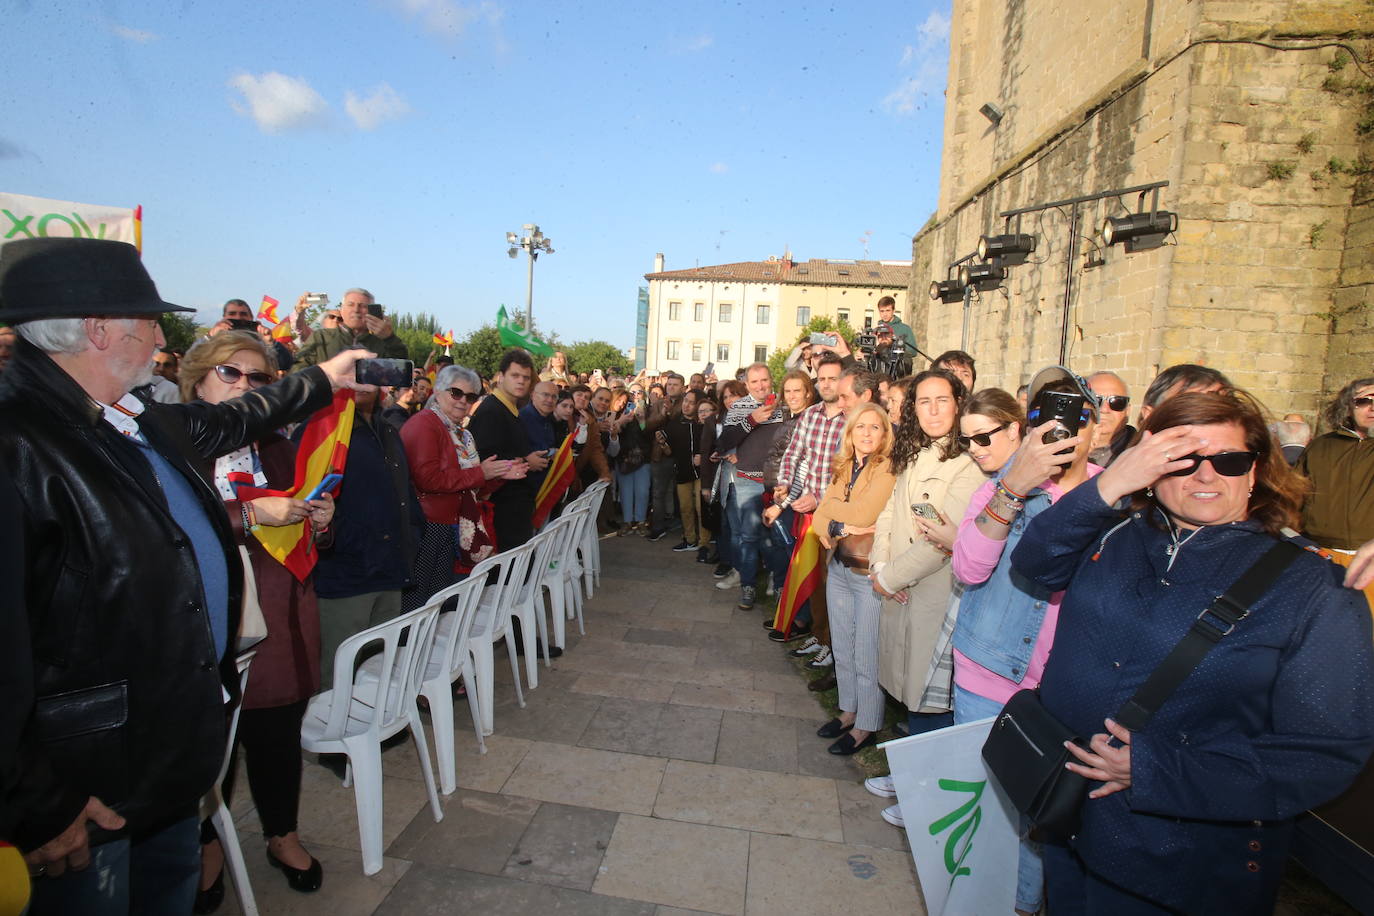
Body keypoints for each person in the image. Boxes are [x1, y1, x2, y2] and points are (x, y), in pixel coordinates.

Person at [0, 238, 368, 915]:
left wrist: (323, 377)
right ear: (99, 329)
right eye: (149, 320)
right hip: (88, 791)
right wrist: (37, 799)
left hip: (161, 763)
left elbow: (237, 417)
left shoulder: (130, 417)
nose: (162, 336)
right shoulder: (19, 443)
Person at [1014, 390, 1374, 913]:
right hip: (1070, 822)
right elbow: (1037, 563)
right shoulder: (1119, 534)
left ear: (1255, 471)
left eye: (1228, 461)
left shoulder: (1313, 589)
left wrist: (1155, 772)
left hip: (1175, 859)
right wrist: (1110, 484)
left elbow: (1323, 752)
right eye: (1182, 460)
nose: (1206, 476)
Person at [178, 331, 334, 907]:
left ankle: (282, 835)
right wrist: (247, 513)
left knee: (275, 734)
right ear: (195, 380)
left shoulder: (276, 447)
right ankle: (205, 845)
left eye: (258, 378)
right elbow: (172, 524)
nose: (245, 386)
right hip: (204, 620)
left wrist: (321, 517)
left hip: (279, 612)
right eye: (230, 374)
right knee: (208, 742)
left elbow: (310, 522)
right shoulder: (174, 444)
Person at [949, 365, 1103, 916]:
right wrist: (1014, 485)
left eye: (1077, 416)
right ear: (1030, 424)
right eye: (1048, 416)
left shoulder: (1123, 497)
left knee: (1046, 819)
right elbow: (968, 567)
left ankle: (1023, 906)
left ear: (1097, 425)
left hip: (1071, 691)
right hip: (991, 674)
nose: (1065, 431)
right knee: (989, 814)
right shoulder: (1002, 487)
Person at [866, 370, 984, 827]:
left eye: (942, 400)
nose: (932, 411)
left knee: (929, 693)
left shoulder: (968, 463)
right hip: (898, 589)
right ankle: (909, 772)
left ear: (959, 403)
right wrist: (879, 567)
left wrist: (889, 579)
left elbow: (939, 541)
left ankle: (927, 795)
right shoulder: (914, 455)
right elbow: (891, 516)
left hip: (933, 594)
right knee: (905, 686)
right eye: (923, 402)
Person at [309, 384, 424, 688]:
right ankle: (333, 735)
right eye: (352, 374)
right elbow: (309, 499)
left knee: (378, 667)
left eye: (368, 376)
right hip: (346, 574)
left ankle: (372, 729)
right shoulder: (321, 429)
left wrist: (412, 531)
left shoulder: (386, 429)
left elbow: (404, 489)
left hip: (391, 568)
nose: (360, 383)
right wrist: (345, 539)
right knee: (337, 674)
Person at [812, 403, 898, 755]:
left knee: (865, 651)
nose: (866, 433)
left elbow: (867, 512)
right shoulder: (844, 464)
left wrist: (836, 516)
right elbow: (820, 516)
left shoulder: (888, 468)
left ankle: (868, 725)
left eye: (874, 427)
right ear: (850, 432)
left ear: (885, 433)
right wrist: (839, 524)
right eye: (860, 426)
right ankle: (849, 711)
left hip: (867, 572)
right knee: (842, 647)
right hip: (839, 565)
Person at [402, 365, 524, 611]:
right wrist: (482, 473)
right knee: (418, 606)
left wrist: (500, 475)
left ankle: (431, 648)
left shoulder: (461, 433)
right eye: (455, 393)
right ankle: (411, 649)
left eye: (470, 397)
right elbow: (429, 479)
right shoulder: (425, 424)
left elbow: (471, 485)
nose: (463, 401)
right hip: (426, 526)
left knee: (438, 601)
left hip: (449, 524)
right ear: (437, 392)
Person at [714, 363, 785, 610]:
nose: (760, 386)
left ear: (771, 379)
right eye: (754, 382)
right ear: (746, 384)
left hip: (777, 482)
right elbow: (724, 442)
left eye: (764, 380)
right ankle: (748, 585)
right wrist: (752, 420)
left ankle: (778, 585)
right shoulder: (739, 407)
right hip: (747, 481)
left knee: (776, 537)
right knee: (748, 536)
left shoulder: (784, 405)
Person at [465, 350, 550, 550]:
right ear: (501, 377)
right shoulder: (491, 411)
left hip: (515, 508)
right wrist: (514, 464)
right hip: (502, 510)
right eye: (515, 376)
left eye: (526, 378)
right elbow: (483, 460)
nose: (521, 381)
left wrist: (526, 458)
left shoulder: (509, 409)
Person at [1297, 376, 1374, 590]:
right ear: (1348, 407)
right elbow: (1293, 494)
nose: (1372, 408)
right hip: (1322, 555)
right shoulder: (1321, 446)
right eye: (1364, 401)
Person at [760, 371, 819, 604]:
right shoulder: (788, 417)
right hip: (779, 495)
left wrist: (781, 505)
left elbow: (803, 468)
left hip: (793, 501)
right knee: (779, 552)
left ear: (808, 392)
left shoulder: (808, 420)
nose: (792, 395)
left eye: (798, 390)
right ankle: (784, 605)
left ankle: (793, 613)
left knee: (790, 556)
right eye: (788, 391)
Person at [292, 288, 408, 367]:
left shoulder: (381, 344)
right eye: (350, 304)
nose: (356, 310)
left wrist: (389, 338)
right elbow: (298, 369)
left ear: (371, 312)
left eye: (363, 306)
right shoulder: (321, 337)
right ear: (341, 310)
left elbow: (401, 367)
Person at [665, 389, 708, 554]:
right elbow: (668, 452)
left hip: (702, 472)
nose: (686, 405)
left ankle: (704, 543)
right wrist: (662, 443)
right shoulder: (674, 422)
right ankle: (689, 539)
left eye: (691, 402)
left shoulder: (705, 423)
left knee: (701, 507)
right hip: (682, 471)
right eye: (685, 400)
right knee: (685, 507)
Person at [1086, 370, 1133, 466]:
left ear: (1128, 410)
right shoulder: (1061, 447)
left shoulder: (1139, 452)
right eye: (1095, 400)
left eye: (1117, 402)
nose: (1104, 409)